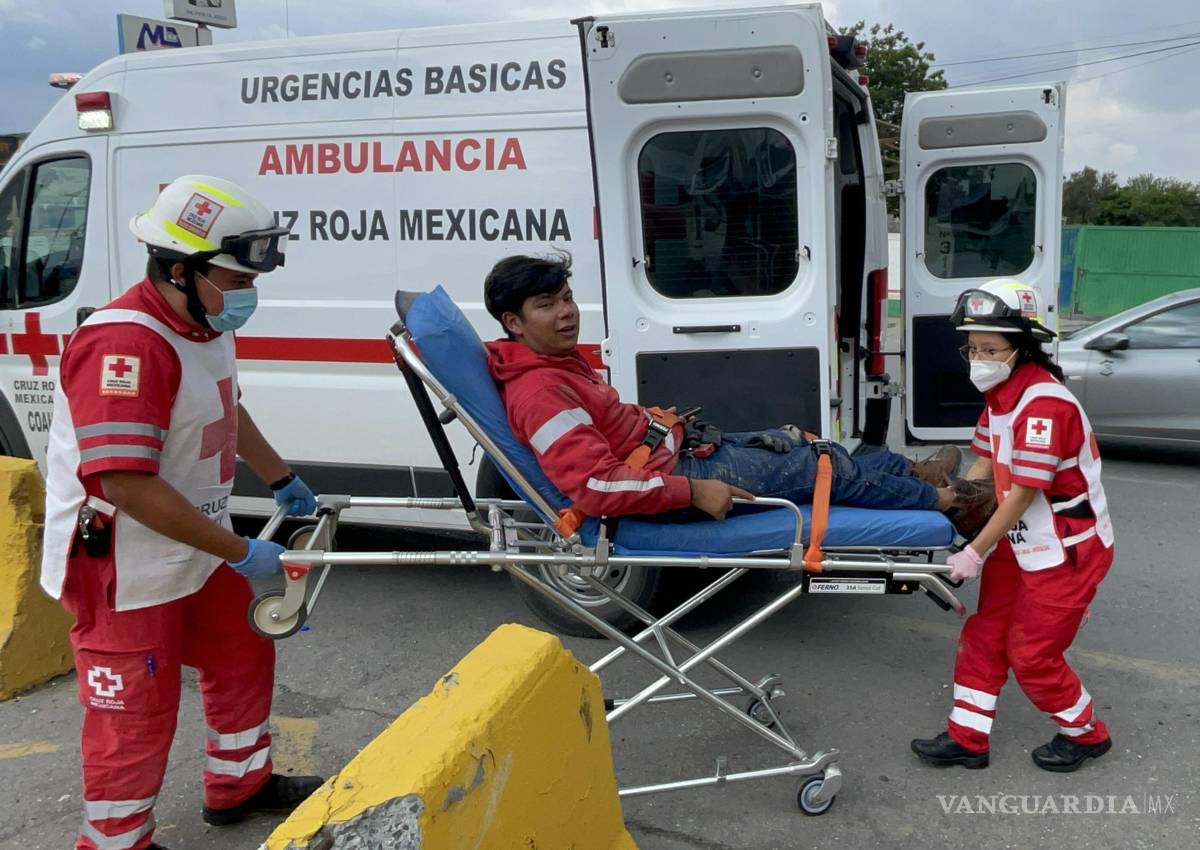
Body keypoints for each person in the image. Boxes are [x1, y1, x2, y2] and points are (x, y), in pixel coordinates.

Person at [40, 175, 324, 850]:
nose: (248, 294)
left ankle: (238, 785)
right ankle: (115, 841)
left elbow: (227, 408)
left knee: (244, 644)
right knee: (133, 712)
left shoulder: (199, 322)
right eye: (233, 277)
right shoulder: (126, 345)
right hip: (119, 563)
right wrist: (241, 551)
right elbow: (125, 485)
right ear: (178, 269)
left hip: (190, 544)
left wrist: (281, 476)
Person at [481, 252, 992, 526]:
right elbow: (597, 488)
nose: (566, 312)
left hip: (675, 450)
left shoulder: (557, 366)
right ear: (515, 322)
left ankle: (912, 472)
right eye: (548, 304)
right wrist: (693, 491)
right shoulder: (540, 393)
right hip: (677, 474)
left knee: (815, 446)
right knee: (822, 468)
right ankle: (948, 502)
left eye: (567, 297)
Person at [910, 278, 1116, 773]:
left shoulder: (1044, 404)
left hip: (1066, 550)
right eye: (973, 347)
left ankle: (1088, 733)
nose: (978, 357)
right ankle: (968, 738)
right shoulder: (1002, 394)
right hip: (1020, 539)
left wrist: (974, 550)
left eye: (990, 348)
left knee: (1032, 653)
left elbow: (1023, 491)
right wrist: (958, 497)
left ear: (1022, 347)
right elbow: (985, 460)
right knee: (985, 635)